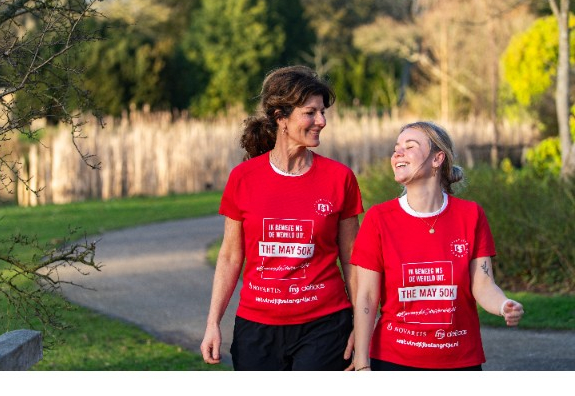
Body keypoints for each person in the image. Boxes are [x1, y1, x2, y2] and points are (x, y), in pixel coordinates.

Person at [200, 65, 364, 371]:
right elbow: (231, 256)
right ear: (281, 118)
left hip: (325, 326)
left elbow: (352, 258)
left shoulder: (340, 178)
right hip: (257, 329)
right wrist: (213, 322)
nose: (321, 121)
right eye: (310, 113)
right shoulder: (243, 178)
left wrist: (362, 326)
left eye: (323, 112)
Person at [351, 121, 524, 371]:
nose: (398, 153)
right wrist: (361, 363)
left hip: (460, 359)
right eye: (396, 148)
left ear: (437, 158)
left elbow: (483, 285)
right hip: (394, 360)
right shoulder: (378, 218)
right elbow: (367, 296)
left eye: (410, 146)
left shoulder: (471, 215)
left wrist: (503, 305)